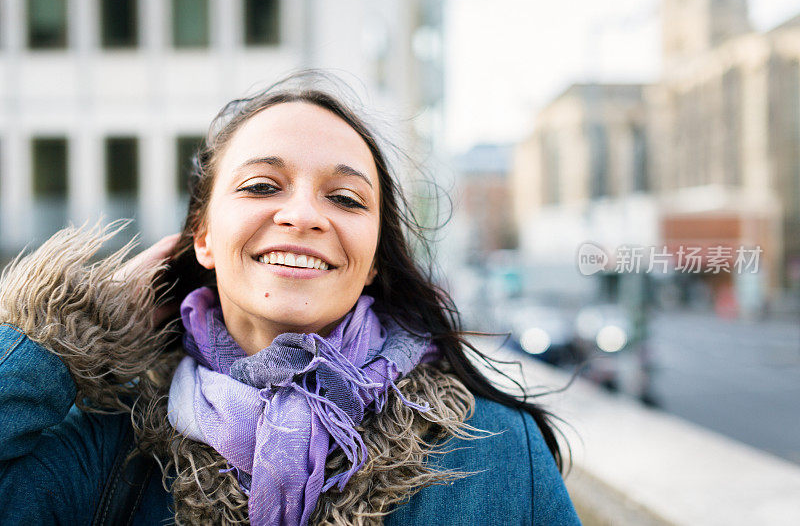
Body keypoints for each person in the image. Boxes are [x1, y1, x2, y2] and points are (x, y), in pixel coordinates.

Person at [0, 71, 581, 525]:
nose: (302, 215)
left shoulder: (500, 454)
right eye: (260, 186)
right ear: (202, 237)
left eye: (347, 199)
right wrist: (70, 331)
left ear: (375, 256)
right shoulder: (105, 446)